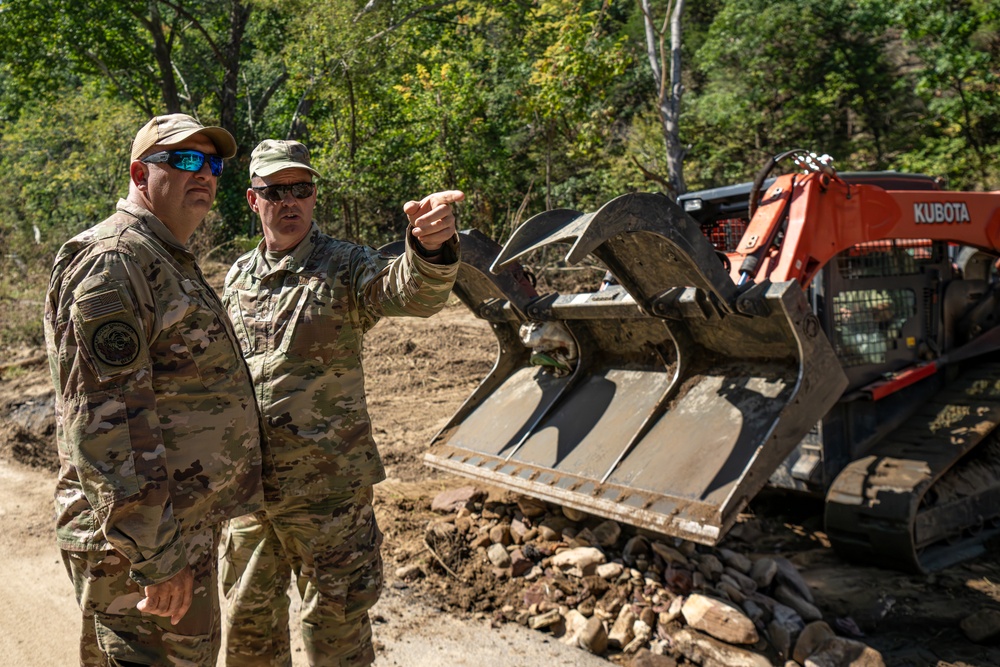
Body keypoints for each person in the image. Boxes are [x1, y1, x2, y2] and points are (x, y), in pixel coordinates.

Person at [219, 139, 462, 666]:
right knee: (246, 629)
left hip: (328, 495)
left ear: (313, 196)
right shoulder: (236, 278)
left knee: (334, 631)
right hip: (251, 496)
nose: (289, 201)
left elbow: (409, 292)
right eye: (275, 190)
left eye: (301, 189)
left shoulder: (345, 265)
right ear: (251, 199)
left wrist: (427, 249)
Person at [43, 113, 271, 666]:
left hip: (168, 532)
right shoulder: (116, 261)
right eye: (186, 160)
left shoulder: (161, 256)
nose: (205, 174)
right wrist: (157, 556)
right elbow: (107, 426)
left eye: (213, 164)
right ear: (139, 173)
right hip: (145, 545)